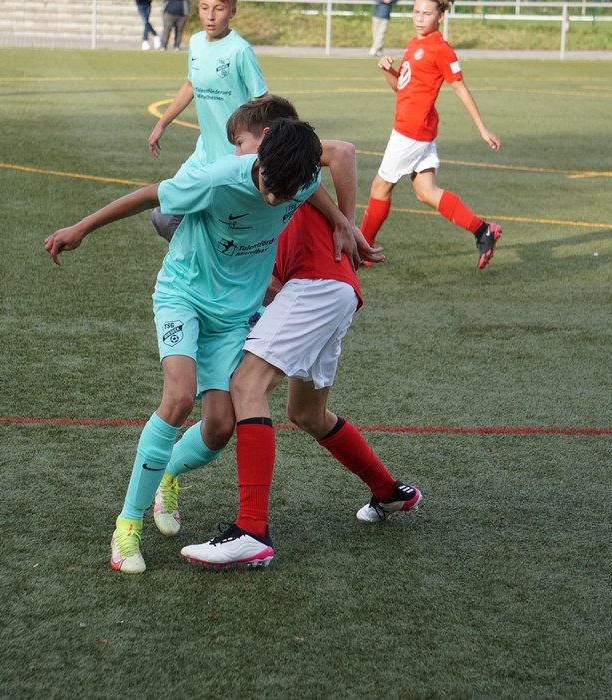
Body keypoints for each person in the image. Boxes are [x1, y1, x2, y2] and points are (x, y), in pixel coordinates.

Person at [46, 111, 355, 575]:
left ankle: (166, 474)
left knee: (219, 428)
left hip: (234, 317)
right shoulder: (216, 180)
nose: (273, 199)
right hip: (183, 297)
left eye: (285, 194)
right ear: (261, 152)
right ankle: (127, 525)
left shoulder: (301, 175)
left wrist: (342, 222)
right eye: (268, 186)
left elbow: (319, 182)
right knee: (178, 398)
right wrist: (81, 228)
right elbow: (149, 196)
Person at [145, 99, 420, 569]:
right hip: (332, 293)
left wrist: (346, 223)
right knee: (307, 412)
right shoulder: (267, 199)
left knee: (246, 385)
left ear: (267, 138)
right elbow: (268, 286)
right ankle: (389, 492)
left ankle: (251, 531)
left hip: (318, 285)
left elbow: (343, 151)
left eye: (240, 143)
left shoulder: (282, 167)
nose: (236, 154)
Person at [359, 0, 502, 270]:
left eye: (427, 13)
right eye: (416, 12)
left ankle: (361, 251)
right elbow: (401, 87)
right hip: (418, 129)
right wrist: (388, 70)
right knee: (426, 192)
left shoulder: (441, 50)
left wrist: (482, 128)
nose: (420, 18)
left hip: (411, 131)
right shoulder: (414, 44)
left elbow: (460, 88)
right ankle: (483, 230)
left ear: (441, 17)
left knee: (380, 186)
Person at [148, 0, 268, 241]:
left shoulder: (240, 50)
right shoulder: (195, 43)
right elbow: (190, 85)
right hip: (203, 154)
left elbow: (263, 101)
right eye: (204, 8)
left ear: (232, 11)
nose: (210, 16)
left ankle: (218, 257)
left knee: (230, 227)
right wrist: (162, 124)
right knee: (164, 216)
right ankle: (204, 255)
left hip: (234, 158)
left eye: (219, 9)